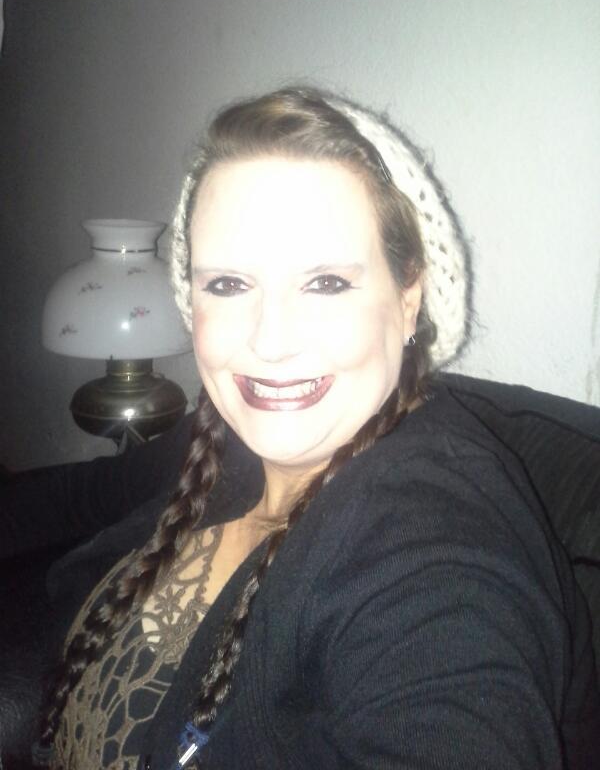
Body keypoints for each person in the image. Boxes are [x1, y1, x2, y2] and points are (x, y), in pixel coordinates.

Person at [28, 87, 598, 769]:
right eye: (229, 284)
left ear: (409, 299)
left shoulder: (434, 546)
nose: (269, 343)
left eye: (326, 283)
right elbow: (79, 495)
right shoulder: (232, 442)